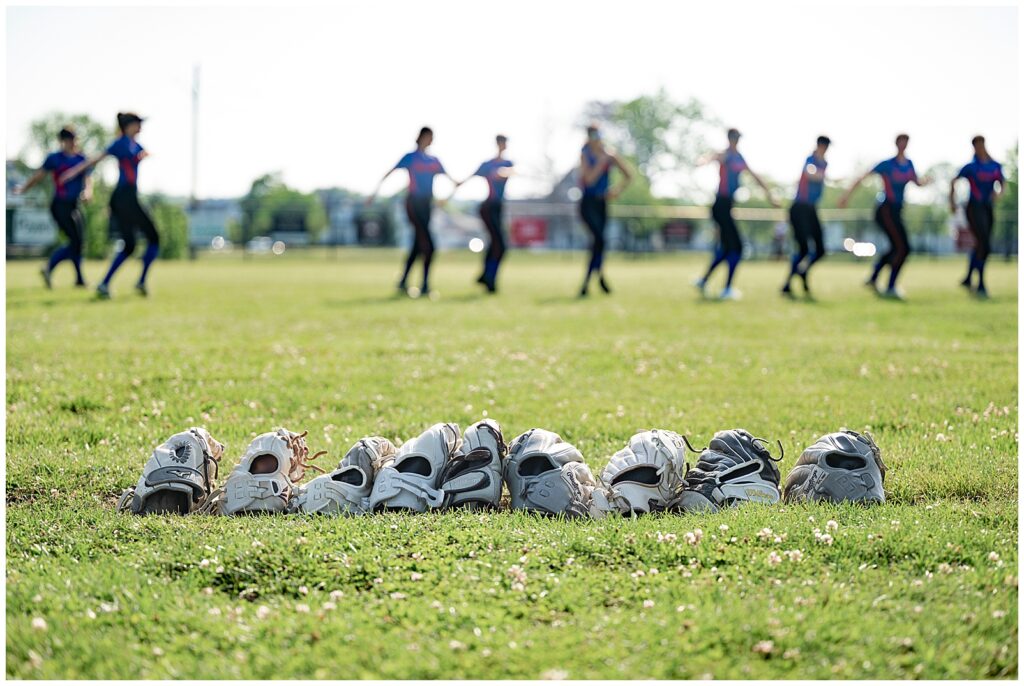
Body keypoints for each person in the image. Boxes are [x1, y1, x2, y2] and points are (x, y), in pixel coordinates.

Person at [60, 112, 159, 299]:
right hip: (124, 197)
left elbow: (140, 154)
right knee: (154, 237)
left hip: (127, 198)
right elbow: (96, 159)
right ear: (129, 126)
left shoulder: (135, 144)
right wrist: (73, 173)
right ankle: (140, 281)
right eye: (138, 123)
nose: (141, 127)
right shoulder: (120, 143)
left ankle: (105, 284)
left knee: (130, 246)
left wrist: (144, 155)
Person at [838, 133, 931, 300]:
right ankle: (891, 286)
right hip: (885, 210)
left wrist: (925, 181)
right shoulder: (887, 164)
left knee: (896, 247)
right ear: (896, 143)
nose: (903, 145)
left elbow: (916, 182)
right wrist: (846, 196)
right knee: (903, 248)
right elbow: (863, 177)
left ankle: (874, 277)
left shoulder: (909, 164)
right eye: (901, 142)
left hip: (897, 210)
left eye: (906, 142)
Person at [367, 127, 457, 297]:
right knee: (429, 246)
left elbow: (451, 180)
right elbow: (389, 173)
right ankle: (425, 286)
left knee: (418, 244)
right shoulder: (411, 157)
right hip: (413, 203)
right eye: (429, 137)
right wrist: (374, 193)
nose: (431, 140)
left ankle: (403, 282)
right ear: (422, 137)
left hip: (427, 204)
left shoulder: (434, 160)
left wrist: (450, 194)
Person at [694, 128, 778, 300]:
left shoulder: (739, 157)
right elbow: (710, 157)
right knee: (737, 248)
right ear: (729, 138)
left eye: (737, 138)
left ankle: (704, 280)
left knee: (727, 249)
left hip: (727, 206)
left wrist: (770, 194)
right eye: (733, 138)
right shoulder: (725, 155)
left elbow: (755, 176)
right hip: (721, 205)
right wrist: (703, 161)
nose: (736, 141)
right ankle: (726, 289)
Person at [15, 126, 92, 289]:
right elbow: (38, 176)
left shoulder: (81, 159)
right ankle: (50, 267)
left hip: (74, 205)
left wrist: (87, 192)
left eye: (74, 139)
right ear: (62, 141)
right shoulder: (54, 159)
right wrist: (23, 188)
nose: (72, 143)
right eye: (68, 140)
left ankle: (77, 279)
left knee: (78, 242)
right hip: (59, 205)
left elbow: (87, 179)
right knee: (75, 241)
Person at [450, 135, 514, 293]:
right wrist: (450, 193)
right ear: (497, 144)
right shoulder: (488, 164)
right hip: (488, 207)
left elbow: (510, 171)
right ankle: (488, 277)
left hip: (498, 207)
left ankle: (486, 276)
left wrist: (501, 172)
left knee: (495, 244)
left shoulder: (507, 163)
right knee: (500, 245)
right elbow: (469, 178)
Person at [578, 124, 632, 297]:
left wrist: (616, 190)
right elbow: (589, 180)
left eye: (597, 135)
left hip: (602, 203)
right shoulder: (585, 154)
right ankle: (593, 280)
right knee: (598, 239)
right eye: (592, 135)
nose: (595, 139)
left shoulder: (610, 154)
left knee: (600, 243)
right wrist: (601, 162)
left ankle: (593, 280)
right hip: (588, 204)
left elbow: (628, 175)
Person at [949, 135, 1005, 298]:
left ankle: (968, 278)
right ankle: (980, 283)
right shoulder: (971, 167)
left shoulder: (995, 166)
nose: (980, 147)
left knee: (981, 244)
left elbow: (1002, 183)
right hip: (973, 208)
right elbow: (954, 180)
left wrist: (999, 193)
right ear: (974, 147)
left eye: (981, 144)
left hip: (987, 208)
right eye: (976, 145)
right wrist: (952, 201)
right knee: (984, 244)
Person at [782, 136, 831, 297]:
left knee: (820, 249)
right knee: (803, 249)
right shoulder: (810, 160)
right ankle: (787, 284)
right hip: (799, 208)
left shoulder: (825, 163)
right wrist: (823, 176)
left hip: (811, 209)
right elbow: (810, 172)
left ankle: (802, 271)